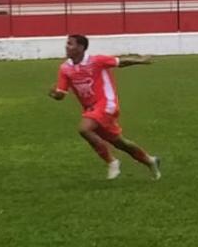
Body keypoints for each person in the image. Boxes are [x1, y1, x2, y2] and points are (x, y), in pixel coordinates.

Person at [47, 34, 161, 180]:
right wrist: (54, 94)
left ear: (81, 47)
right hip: (91, 110)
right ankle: (150, 161)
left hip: (107, 103)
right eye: (67, 43)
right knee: (120, 143)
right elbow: (61, 95)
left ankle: (112, 162)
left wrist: (140, 60)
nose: (66, 47)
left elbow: (120, 62)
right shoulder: (65, 68)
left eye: (70, 44)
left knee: (84, 129)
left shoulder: (96, 61)